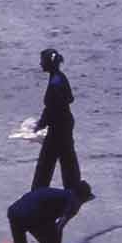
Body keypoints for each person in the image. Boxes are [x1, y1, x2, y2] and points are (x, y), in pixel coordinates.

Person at [31, 48, 81, 192]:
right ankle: (73, 189)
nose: (40, 64)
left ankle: (38, 191)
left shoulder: (55, 83)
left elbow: (53, 109)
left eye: (42, 61)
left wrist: (41, 124)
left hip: (58, 127)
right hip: (65, 123)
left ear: (49, 63)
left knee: (46, 160)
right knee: (67, 158)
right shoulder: (60, 77)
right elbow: (70, 99)